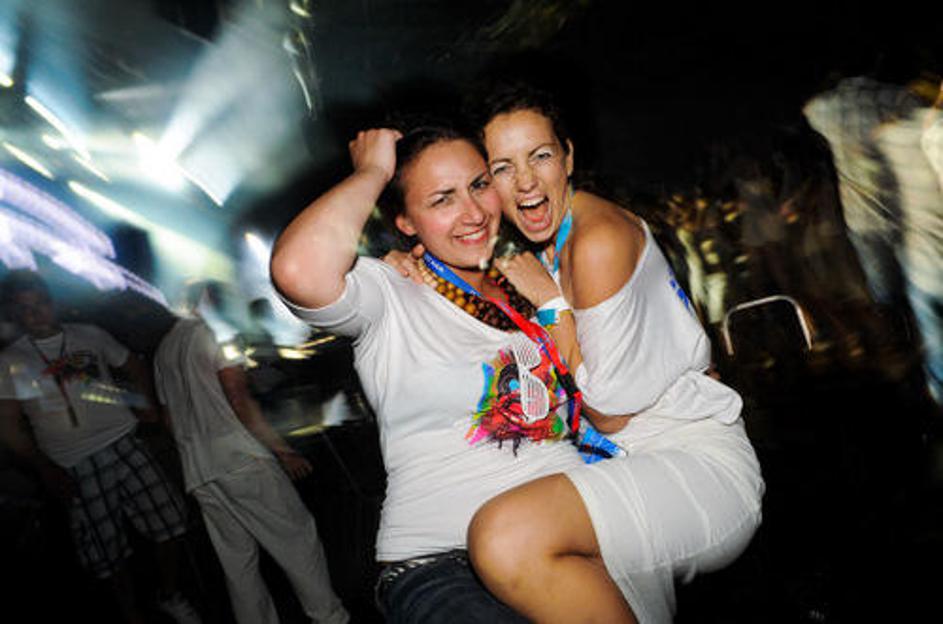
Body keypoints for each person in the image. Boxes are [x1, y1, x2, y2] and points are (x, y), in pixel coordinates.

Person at [390, 83, 765, 623]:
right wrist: (406, 261)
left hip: (692, 468)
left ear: (568, 157)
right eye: (502, 168)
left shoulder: (594, 241)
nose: (525, 181)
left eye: (540, 156)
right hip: (624, 469)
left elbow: (608, 413)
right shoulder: (545, 246)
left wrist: (551, 304)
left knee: (505, 536)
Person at [270, 124, 587, 622]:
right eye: (442, 199)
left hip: (573, 536)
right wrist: (373, 171)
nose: (474, 212)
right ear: (405, 221)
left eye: (479, 185)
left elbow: (602, 389)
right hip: (449, 563)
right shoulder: (390, 291)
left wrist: (552, 300)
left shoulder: (533, 279)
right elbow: (297, 271)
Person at [0, 269, 201, 624]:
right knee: (107, 554)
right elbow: (7, 424)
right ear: (15, 313)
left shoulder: (88, 334)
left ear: (52, 302)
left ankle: (169, 595)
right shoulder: (10, 361)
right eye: (25, 308)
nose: (36, 313)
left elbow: (133, 363)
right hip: (74, 462)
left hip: (124, 443)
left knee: (170, 521)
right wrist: (45, 467)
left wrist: (147, 404)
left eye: (41, 303)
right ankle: (132, 615)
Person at [152, 283, 349, 624]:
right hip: (240, 460)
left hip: (200, 470)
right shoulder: (218, 335)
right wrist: (282, 450)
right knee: (297, 539)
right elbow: (238, 398)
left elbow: (168, 418)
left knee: (238, 564)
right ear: (207, 300)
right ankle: (330, 618)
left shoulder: (164, 351)